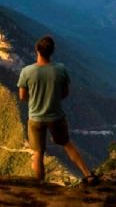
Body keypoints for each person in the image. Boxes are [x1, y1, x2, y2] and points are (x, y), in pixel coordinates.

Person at [18, 35, 98, 185]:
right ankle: (88, 174)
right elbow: (65, 92)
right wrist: (52, 99)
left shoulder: (27, 71)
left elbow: (22, 96)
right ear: (52, 51)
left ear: (37, 50)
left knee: (38, 153)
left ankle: (39, 184)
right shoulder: (60, 69)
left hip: (35, 118)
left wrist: (36, 99)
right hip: (56, 117)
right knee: (67, 144)